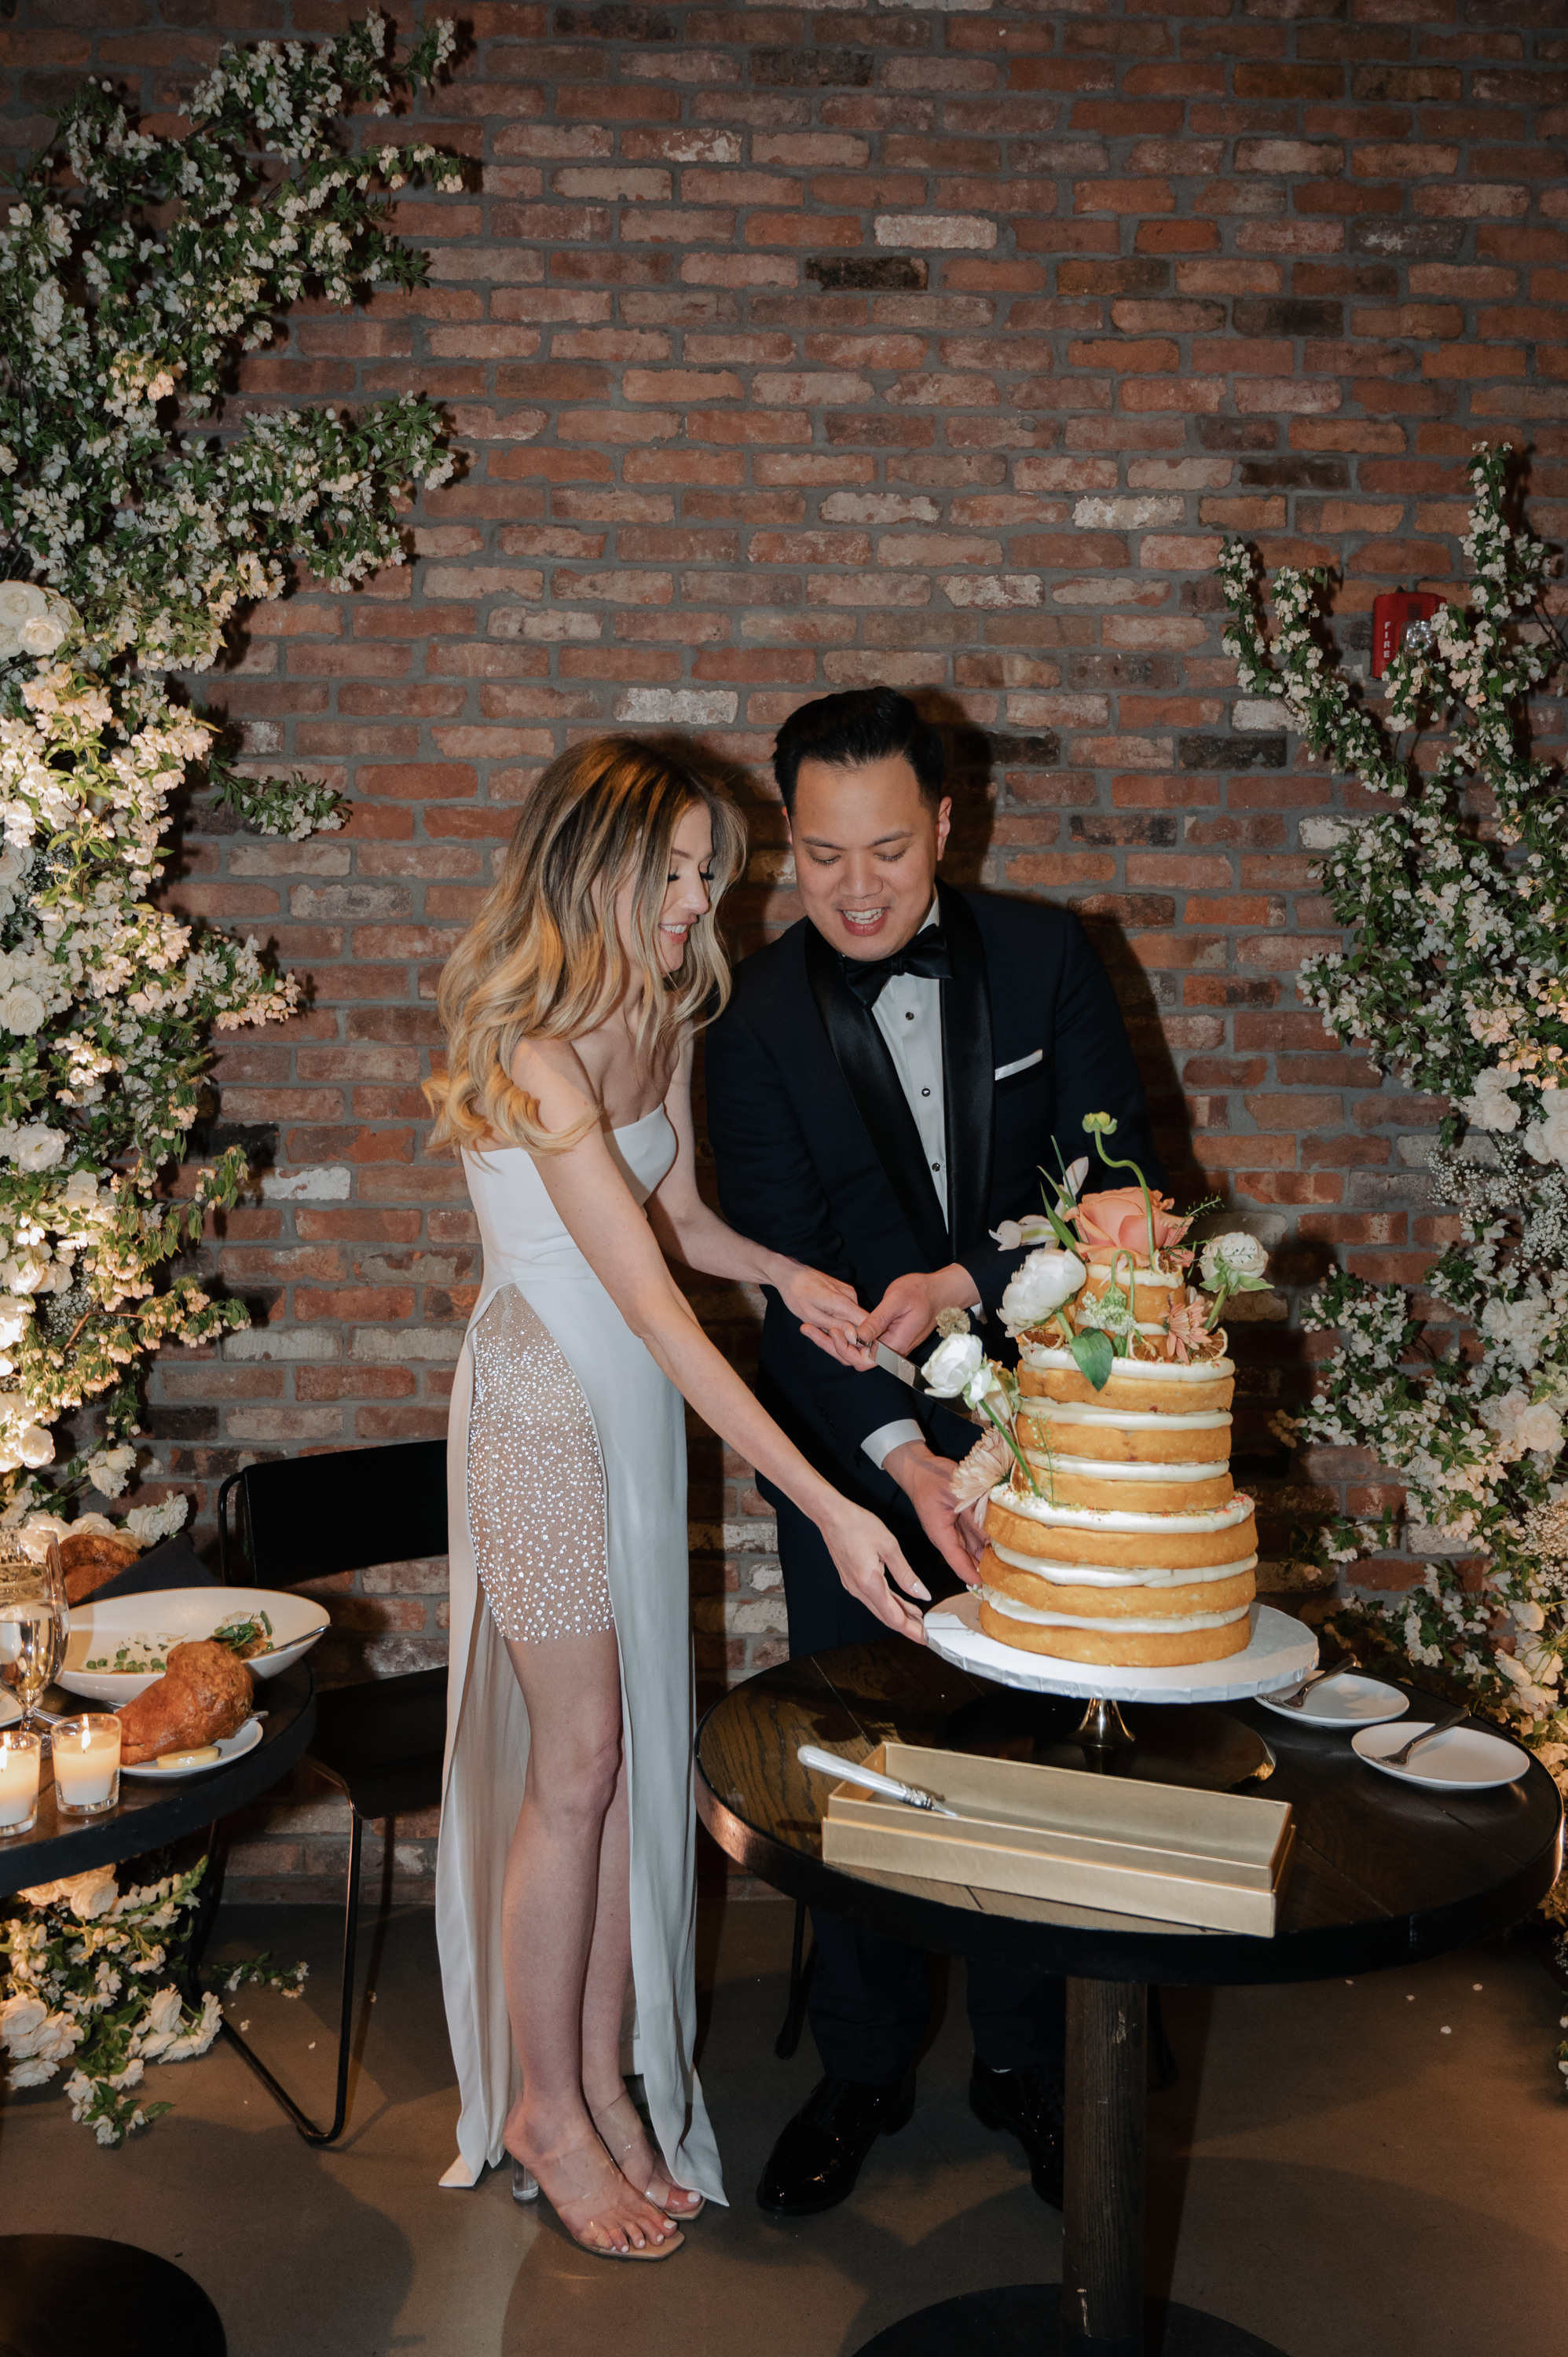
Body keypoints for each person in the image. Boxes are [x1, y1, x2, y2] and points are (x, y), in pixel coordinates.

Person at [425, 736, 926, 2261]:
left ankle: (603, 2085)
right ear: (595, 863)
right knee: (577, 1765)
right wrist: (831, 1501)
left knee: (627, 1761)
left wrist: (791, 1278)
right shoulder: (533, 1048)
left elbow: (683, 1222)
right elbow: (646, 1303)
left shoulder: (660, 1010)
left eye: (708, 874)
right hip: (539, 1407)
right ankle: (545, 2111)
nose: (698, 903)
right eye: (676, 875)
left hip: (636, 1409)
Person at [704, 686, 1164, 2217]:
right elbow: (786, 1283)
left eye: (888, 851)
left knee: (1040, 1754)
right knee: (862, 1759)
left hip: (1053, 1436)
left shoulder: (1046, 957)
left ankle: (1029, 2063)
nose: (854, 889)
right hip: (852, 1454)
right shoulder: (749, 1020)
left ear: (947, 827)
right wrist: (899, 1459)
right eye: (822, 853)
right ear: (788, 838)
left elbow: (1115, 1188)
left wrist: (964, 1280)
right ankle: (863, 2064)